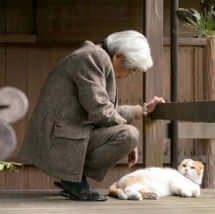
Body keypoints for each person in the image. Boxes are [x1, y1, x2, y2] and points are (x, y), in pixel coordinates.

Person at [18, 30, 165, 201]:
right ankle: (73, 180)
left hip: (67, 133)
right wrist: (127, 135)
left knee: (128, 133)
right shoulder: (93, 58)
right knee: (129, 134)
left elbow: (106, 111)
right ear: (118, 56)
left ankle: (73, 180)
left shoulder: (94, 56)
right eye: (131, 70)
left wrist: (143, 109)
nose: (127, 75)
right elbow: (101, 111)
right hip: (58, 137)